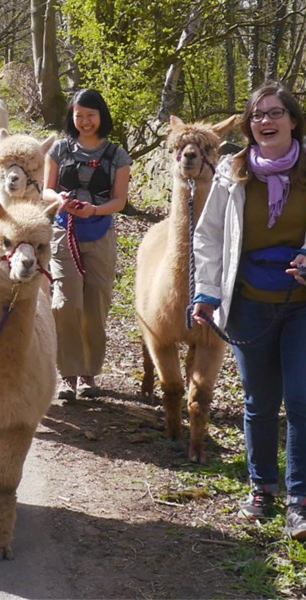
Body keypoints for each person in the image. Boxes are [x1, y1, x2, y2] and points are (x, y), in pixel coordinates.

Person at [192, 81, 306, 540]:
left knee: (300, 400)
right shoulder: (233, 172)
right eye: (258, 114)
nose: (266, 121)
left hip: (300, 304)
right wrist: (205, 293)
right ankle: (262, 488)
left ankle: (300, 499)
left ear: (293, 121)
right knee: (260, 403)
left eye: (276, 113)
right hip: (248, 304)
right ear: (248, 123)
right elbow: (208, 235)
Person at [42, 89, 132, 400]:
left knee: (95, 305)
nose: (84, 122)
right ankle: (67, 374)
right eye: (79, 116)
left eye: (90, 116)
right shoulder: (59, 149)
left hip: (100, 234)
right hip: (64, 232)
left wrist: (95, 210)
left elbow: (120, 200)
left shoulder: (117, 155)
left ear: (101, 117)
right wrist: (61, 201)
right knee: (66, 304)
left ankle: (88, 374)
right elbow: (46, 191)